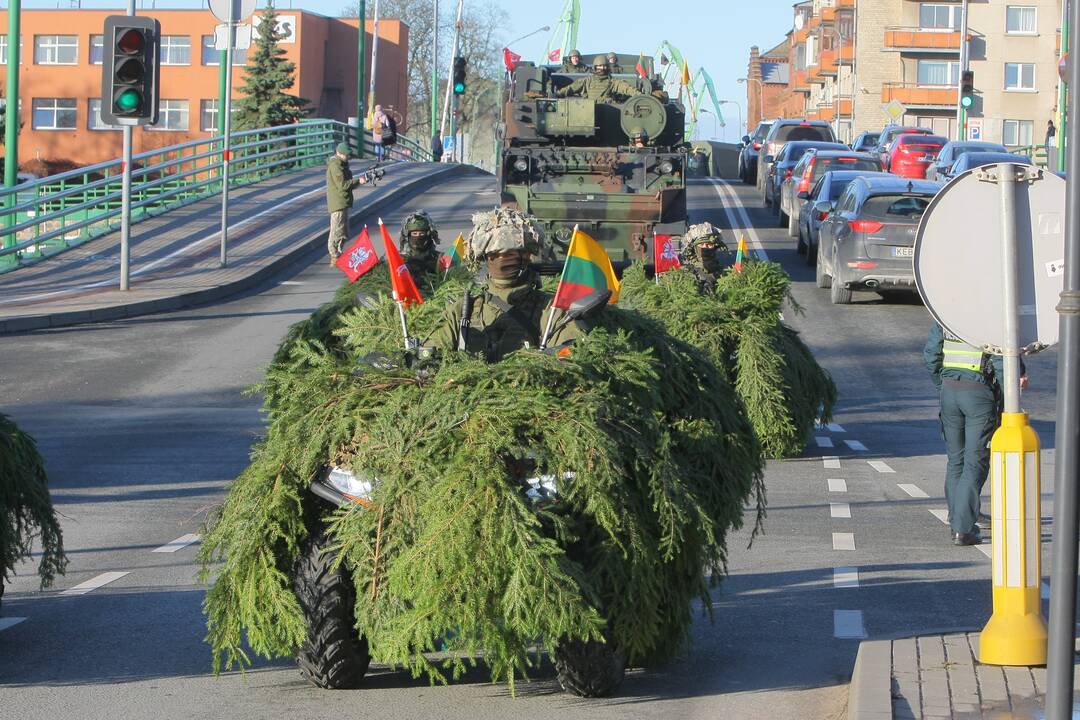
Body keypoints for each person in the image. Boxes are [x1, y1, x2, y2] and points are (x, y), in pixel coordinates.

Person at [428, 208, 591, 361]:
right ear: (487, 258)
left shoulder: (550, 310)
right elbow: (432, 354)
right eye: (498, 254)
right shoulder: (463, 311)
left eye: (514, 253)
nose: (506, 259)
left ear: (527, 256)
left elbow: (570, 355)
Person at [924, 324, 1027, 546]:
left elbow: (931, 354)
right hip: (978, 394)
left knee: (955, 462)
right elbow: (1001, 361)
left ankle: (958, 516)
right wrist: (1009, 401)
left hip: (949, 390)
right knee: (974, 463)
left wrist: (942, 385)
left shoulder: (944, 314)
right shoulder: (985, 316)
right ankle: (963, 529)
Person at [325, 141, 368, 263]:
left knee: (344, 231)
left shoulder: (343, 165)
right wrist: (357, 181)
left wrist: (359, 182)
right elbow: (343, 185)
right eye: (346, 155)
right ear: (338, 153)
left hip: (343, 202)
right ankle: (334, 255)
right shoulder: (335, 166)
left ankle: (339, 252)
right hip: (338, 203)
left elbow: (348, 184)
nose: (348, 157)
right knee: (337, 230)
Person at [553, 56, 639, 102]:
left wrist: (639, 94)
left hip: (606, 111)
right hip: (588, 111)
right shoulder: (588, 81)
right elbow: (571, 88)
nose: (602, 68)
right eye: (600, 66)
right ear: (595, 67)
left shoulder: (612, 82)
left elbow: (626, 88)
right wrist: (557, 94)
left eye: (604, 66)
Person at [679, 222, 728, 293]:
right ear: (694, 248)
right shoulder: (686, 273)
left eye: (709, 245)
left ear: (715, 247)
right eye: (701, 244)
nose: (705, 248)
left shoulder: (724, 272)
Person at [400, 210, 440, 277]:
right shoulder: (400, 259)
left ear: (428, 235)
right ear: (409, 236)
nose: (418, 237)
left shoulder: (439, 258)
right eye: (414, 234)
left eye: (421, 233)